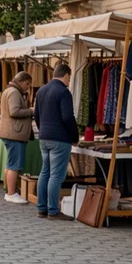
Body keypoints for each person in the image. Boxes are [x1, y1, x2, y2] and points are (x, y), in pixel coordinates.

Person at [34, 63, 79, 220]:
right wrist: (75, 137)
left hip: (44, 137)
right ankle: (53, 210)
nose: (69, 81)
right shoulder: (63, 92)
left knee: (44, 172)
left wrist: (43, 130)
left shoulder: (41, 90)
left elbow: (36, 115)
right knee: (56, 175)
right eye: (69, 78)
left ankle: (41, 208)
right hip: (59, 138)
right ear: (66, 75)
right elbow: (67, 117)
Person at [0, 72, 34, 204]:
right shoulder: (14, 92)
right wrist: (31, 111)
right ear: (21, 81)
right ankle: (11, 193)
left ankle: (9, 191)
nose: (27, 87)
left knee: (10, 164)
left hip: (11, 132)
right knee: (14, 165)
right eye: (27, 84)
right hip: (15, 133)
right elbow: (14, 111)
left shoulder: (9, 90)